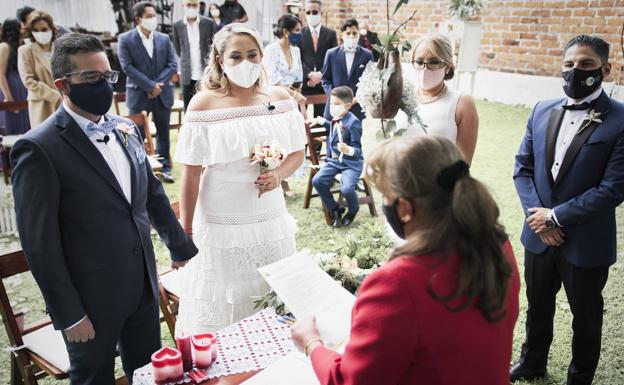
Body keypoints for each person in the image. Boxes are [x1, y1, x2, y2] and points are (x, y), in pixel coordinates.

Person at [10, 32, 197, 385]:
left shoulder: (126, 128)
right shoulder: (38, 148)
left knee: (147, 373)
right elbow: (40, 245)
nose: (105, 86)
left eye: (108, 76)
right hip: (89, 299)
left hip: (142, 284)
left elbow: (151, 194)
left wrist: (179, 245)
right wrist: (69, 314)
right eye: (91, 78)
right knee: (93, 377)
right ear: (63, 85)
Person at [292, 135, 520, 385]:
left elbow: (350, 380)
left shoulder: (397, 283)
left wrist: (311, 343)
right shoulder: (497, 242)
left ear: (404, 209)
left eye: (386, 197)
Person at [174, 24, 306, 333]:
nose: (245, 63)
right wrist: (187, 231)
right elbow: (191, 173)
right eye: (235, 56)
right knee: (226, 287)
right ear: (220, 60)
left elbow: (298, 153)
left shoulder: (279, 97)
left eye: (252, 55)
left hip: (268, 211)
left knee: (272, 282)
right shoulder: (203, 104)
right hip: (221, 211)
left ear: (261, 57)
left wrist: (279, 173)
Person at [512, 35, 624, 385]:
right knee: (537, 303)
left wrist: (556, 217)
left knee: (586, 314)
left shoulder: (620, 120)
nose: (575, 72)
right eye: (569, 64)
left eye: (586, 65)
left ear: (605, 69)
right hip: (538, 234)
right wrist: (540, 219)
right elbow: (523, 168)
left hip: (586, 239)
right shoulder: (541, 109)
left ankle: (580, 377)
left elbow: (613, 187)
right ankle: (532, 362)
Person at [117, 1, 178, 183]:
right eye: (150, 16)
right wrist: (150, 86)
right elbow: (127, 67)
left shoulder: (164, 38)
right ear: (138, 19)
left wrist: (158, 86)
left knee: (163, 133)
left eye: (154, 15)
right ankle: (139, 170)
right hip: (138, 94)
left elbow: (172, 64)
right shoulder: (125, 39)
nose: (154, 19)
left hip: (162, 94)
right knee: (136, 135)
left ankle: (165, 168)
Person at [404, 33, 478, 164]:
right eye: (419, 62)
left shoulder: (462, 103)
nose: (425, 69)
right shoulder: (401, 96)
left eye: (434, 62)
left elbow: (463, 162)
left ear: (448, 66)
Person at [310, 86, 363, 227]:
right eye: (331, 103)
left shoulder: (353, 123)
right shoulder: (336, 118)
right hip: (334, 162)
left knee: (347, 189)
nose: (332, 107)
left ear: (347, 105)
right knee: (317, 181)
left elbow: (357, 149)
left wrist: (348, 149)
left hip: (350, 163)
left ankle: (353, 209)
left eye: (336, 104)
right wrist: (322, 121)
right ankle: (335, 209)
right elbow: (334, 127)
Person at [322, 19, 373, 122]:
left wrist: (356, 99)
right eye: (348, 33)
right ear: (342, 35)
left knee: (355, 137)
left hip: (357, 109)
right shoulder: (331, 54)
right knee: (333, 137)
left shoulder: (367, 55)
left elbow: (370, 82)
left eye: (354, 33)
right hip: (334, 109)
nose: (351, 36)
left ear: (359, 34)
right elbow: (325, 79)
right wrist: (334, 97)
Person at [17, 11, 61, 128]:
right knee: (46, 142)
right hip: (42, 105)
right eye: (36, 30)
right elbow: (28, 80)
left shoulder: (60, 48)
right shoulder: (25, 51)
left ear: (52, 28)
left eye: (44, 29)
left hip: (66, 103)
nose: (40, 33)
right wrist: (54, 95)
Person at [172, 0, 216, 110]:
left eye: (194, 5)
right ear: (183, 6)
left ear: (198, 6)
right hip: (187, 73)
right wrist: (185, 60)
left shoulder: (208, 23)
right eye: (188, 5)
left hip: (205, 72)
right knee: (188, 107)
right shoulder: (177, 25)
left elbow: (214, 45)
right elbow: (177, 48)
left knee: (207, 106)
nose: (191, 7)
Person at [300, 0, 337, 118]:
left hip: (323, 85)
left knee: (321, 120)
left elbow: (333, 58)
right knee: (301, 120)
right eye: (308, 12)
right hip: (305, 84)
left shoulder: (331, 34)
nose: (311, 15)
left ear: (321, 13)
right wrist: (310, 75)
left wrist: (320, 75)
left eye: (314, 12)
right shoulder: (300, 33)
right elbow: (296, 59)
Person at [262, 14, 305, 101]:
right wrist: (294, 94)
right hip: (275, 100)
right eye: (297, 30)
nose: (300, 34)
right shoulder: (270, 50)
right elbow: (273, 81)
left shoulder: (296, 51)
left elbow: (299, 77)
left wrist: (298, 88)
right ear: (286, 32)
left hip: (292, 100)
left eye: (300, 30)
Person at [0, 18, 30, 135]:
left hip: (21, 85)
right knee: (13, 120)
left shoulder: (22, 44)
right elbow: (0, 73)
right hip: (10, 87)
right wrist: (9, 97)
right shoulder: (4, 46)